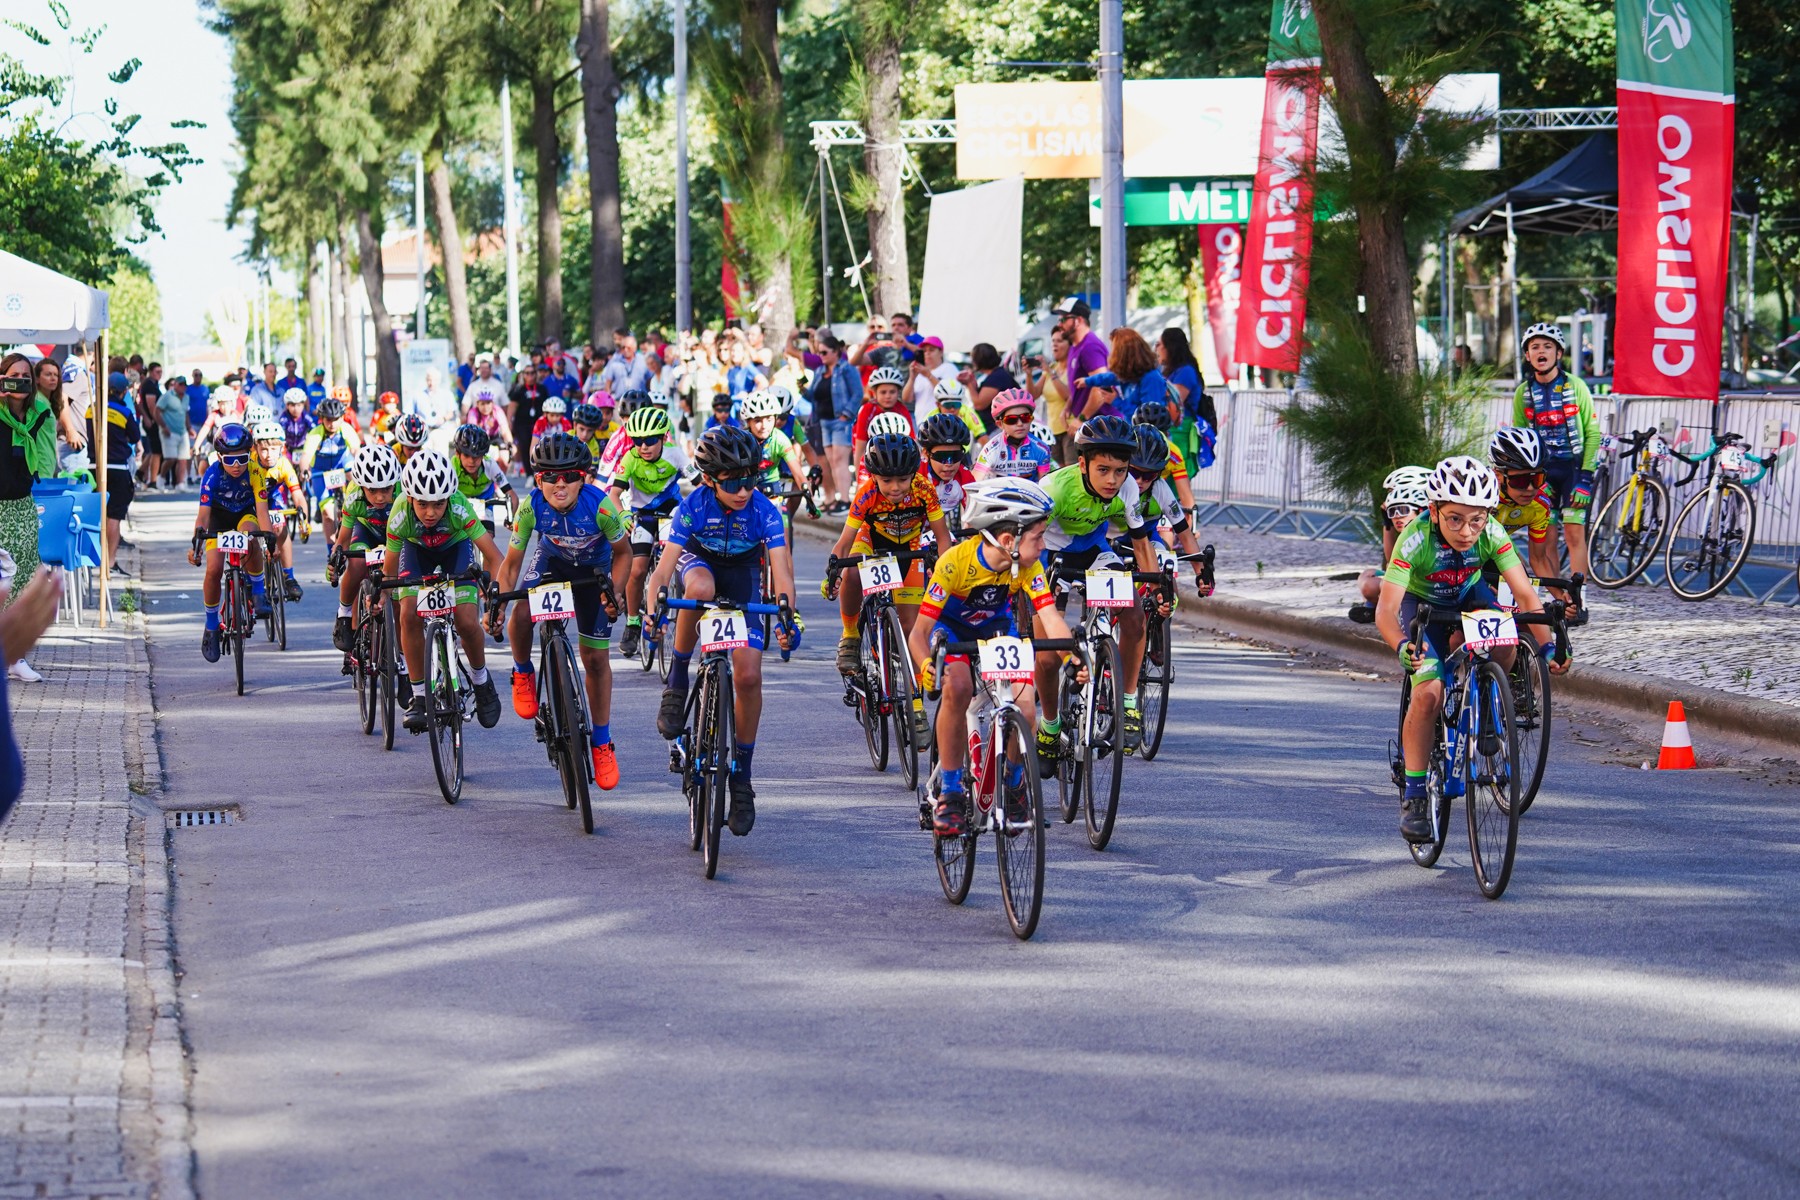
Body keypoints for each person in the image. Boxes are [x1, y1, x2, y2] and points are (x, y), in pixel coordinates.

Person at [1374, 456, 1569, 842]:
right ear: (1434, 510)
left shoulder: (1492, 533)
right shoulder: (1414, 538)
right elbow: (1386, 610)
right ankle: (1414, 796)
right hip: (1423, 607)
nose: (1467, 530)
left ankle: (1489, 706)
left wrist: (1548, 649)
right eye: (1455, 519)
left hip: (1468, 596)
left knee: (1506, 638)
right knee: (1429, 692)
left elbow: (1528, 596)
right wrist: (1399, 645)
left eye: (1476, 519)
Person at [644, 425, 801, 835]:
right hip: (700, 563)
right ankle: (677, 684)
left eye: (749, 479)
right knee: (699, 588)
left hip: (744, 573)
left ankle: (743, 779)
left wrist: (789, 617)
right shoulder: (693, 506)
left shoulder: (766, 510)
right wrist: (653, 612)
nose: (743, 490)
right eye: (733, 482)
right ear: (711, 480)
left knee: (749, 675)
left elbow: (782, 573)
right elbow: (662, 571)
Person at [906, 479, 1080, 837]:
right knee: (959, 685)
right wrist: (926, 666)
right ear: (1007, 541)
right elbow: (918, 633)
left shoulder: (1029, 567)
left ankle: (1013, 780)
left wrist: (1071, 659)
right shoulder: (954, 562)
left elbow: (1050, 619)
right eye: (1038, 537)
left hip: (997, 632)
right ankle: (951, 792)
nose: (1044, 544)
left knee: (1026, 707)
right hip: (951, 633)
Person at [489, 431, 632, 789]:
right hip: (553, 563)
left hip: (595, 571)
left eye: (569, 475)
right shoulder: (530, 506)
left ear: (583, 476)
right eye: (549, 476)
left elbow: (625, 554)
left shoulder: (601, 507)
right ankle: (523, 672)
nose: (560, 484)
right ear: (538, 479)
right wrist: (497, 606)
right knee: (522, 611)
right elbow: (510, 566)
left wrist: (614, 593)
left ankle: (601, 741)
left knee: (596, 659)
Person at [1033, 415, 1165, 757]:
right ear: (1082, 463)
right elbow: (1030, 545)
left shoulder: (1128, 488)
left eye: (1120, 471)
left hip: (1093, 551)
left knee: (1135, 615)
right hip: (1050, 554)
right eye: (1103, 470)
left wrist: (1155, 591)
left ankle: (1128, 703)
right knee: (1048, 655)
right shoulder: (1055, 489)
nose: (1113, 480)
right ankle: (1049, 725)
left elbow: (1140, 543)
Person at [825, 431, 950, 709]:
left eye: (902, 480)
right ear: (874, 477)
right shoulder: (866, 493)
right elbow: (845, 543)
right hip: (871, 543)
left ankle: (916, 707)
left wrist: (946, 574)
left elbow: (943, 538)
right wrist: (834, 571)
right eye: (887, 481)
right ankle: (850, 635)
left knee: (909, 629)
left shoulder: (924, 489)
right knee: (854, 571)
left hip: (910, 548)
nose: (895, 488)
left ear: (913, 475)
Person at [385, 450, 505, 733]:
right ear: (410, 498)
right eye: (423, 504)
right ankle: (419, 696)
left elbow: (496, 558)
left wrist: (492, 595)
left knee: (465, 620)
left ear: (449, 498)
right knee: (408, 615)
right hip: (416, 552)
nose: (430, 512)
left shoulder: (459, 508)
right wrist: (381, 596)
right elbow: (389, 573)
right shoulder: (400, 513)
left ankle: (480, 680)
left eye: (438, 504)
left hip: (456, 548)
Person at [1512, 323, 1597, 610]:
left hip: (1573, 470)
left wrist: (1585, 478)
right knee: (1545, 538)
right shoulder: (1523, 393)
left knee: (1573, 533)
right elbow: (1519, 436)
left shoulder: (1576, 386)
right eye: (1534, 347)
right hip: (1543, 474)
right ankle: (1560, 600)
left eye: (1547, 346)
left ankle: (1580, 598)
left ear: (1559, 352)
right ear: (1527, 355)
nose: (1541, 351)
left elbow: (1593, 434)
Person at [187, 422, 274, 660]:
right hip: (218, 518)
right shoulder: (212, 475)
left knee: (250, 538)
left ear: (250, 455)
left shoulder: (256, 472)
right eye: (230, 460)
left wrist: (269, 540)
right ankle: (212, 625)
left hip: (245, 514)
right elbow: (203, 516)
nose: (237, 466)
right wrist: (197, 544)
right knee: (214, 570)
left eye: (242, 459)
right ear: (219, 457)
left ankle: (258, 591)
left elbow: (263, 512)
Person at [608, 405, 687, 657]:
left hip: (670, 514)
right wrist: (621, 513)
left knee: (677, 560)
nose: (643, 446)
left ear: (664, 438)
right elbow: (614, 494)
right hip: (642, 516)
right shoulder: (629, 458)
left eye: (650, 440)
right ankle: (632, 622)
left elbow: (700, 484)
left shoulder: (676, 455)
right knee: (638, 568)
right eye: (638, 440)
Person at [0, 354, 61, 681]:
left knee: (22, 575)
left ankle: (14, 656)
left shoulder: (40, 415)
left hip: (22, 503)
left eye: (25, 376)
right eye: (12, 376)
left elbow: (46, 458)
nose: (19, 382)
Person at [327, 442, 403, 695]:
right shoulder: (354, 496)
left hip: (396, 534)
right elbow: (344, 537)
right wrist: (335, 558)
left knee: (398, 587)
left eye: (386, 489)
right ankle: (345, 614)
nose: (381, 497)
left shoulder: (405, 491)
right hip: (366, 532)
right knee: (357, 564)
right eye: (373, 490)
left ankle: (402, 660)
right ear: (361, 486)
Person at [248, 417, 305, 599]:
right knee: (250, 532)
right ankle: (248, 574)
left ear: (281, 448)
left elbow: (296, 493)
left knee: (281, 530)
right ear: (255, 448)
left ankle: (289, 576)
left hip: (273, 498)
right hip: (250, 499)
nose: (268, 454)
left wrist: (303, 516)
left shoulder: (283, 465)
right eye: (263, 449)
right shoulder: (250, 464)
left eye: (273, 449)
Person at [298, 397, 364, 545]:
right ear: (322, 419)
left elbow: (356, 450)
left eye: (336, 419)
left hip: (343, 466)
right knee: (327, 514)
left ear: (342, 418)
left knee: (355, 478)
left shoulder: (346, 428)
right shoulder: (316, 433)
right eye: (328, 419)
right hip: (320, 471)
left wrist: (361, 465)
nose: (332, 423)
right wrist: (303, 470)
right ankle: (331, 551)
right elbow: (306, 455)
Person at [810, 335, 861, 513]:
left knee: (839, 461)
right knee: (832, 462)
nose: (821, 355)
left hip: (841, 421)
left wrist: (846, 414)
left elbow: (857, 393)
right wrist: (802, 388)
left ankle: (845, 501)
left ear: (835, 351)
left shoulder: (847, 369)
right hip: (824, 421)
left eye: (824, 352)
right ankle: (838, 500)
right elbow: (812, 396)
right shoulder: (819, 371)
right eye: (819, 352)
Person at [1080, 327, 1167, 422]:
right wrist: (1087, 381)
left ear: (1124, 352)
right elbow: (1109, 377)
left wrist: (1116, 402)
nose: (1112, 354)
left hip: (1146, 435)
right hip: (1133, 432)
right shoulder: (1131, 373)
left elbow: (1148, 418)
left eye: (1114, 349)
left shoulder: (1151, 379)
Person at [973, 388, 1056, 481]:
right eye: (1011, 419)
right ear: (1000, 424)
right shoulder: (990, 450)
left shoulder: (1042, 449)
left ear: (1031, 419)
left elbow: (1046, 485)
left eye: (1025, 418)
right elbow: (974, 483)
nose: (1020, 423)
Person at [450, 423, 519, 535]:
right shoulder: (452, 466)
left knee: (488, 537)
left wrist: (511, 517)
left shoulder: (490, 464)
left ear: (483, 455)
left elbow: (512, 495)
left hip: (484, 501)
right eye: (467, 455)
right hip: (460, 500)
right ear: (458, 454)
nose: (472, 461)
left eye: (477, 456)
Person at [917, 413, 975, 535]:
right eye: (941, 457)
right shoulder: (915, 474)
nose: (949, 464)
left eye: (956, 456)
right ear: (926, 454)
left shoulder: (964, 476)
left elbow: (974, 517)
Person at [850, 365, 915, 476]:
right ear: (874, 393)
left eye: (892, 392)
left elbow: (912, 443)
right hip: (871, 454)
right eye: (883, 392)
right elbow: (860, 448)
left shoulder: (902, 409)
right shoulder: (867, 410)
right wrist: (859, 479)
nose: (888, 396)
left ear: (898, 392)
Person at [1055, 297, 1110, 423]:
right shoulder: (1076, 345)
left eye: (1063, 319)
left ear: (1078, 320)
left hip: (1102, 426)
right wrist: (1069, 406)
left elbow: (1102, 388)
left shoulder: (1090, 347)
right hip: (1092, 424)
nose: (1059, 325)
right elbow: (1078, 387)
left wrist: (1081, 418)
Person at [1026, 327, 1072, 463]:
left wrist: (1050, 372)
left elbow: (1068, 395)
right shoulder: (1051, 367)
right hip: (1052, 430)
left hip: (1070, 428)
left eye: (1060, 341)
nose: (1055, 345)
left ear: (1070, 344)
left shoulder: (1074, 368)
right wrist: (1028, 374)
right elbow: (1032, 395)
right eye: (1053, 341)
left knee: (1070, 471)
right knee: (1055, 472)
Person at [956, 343, 1019, 433]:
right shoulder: (997, 375)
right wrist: (971, 381)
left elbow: (979, 404)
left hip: (998, 430)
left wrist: (968, 383)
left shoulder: (996, 377)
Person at [907, 336, 958, 423]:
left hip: (943, 422)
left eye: (931, 350)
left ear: (941, 352)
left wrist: (928, 375)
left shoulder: (949, 368)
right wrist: (912, 378)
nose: (927, 353)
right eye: (924, 351)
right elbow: (907, 399)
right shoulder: (920, 373)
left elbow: (949, 393)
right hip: (921, 422)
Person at [507, 363, 547, 468]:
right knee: (525, 447)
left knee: (539, 447)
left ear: (536, 374)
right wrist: (509, 422)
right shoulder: (518, 389)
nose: (530, 376)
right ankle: (529, 472)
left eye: (532, 373)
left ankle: (539, 469)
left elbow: (546, 406)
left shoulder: (542, 388)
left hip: (538, 423)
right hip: (522, 424)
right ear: (523, 375)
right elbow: (512, 407)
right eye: (527, 373)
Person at [158, 376, 192, 489]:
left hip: (182, 431)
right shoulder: (167, 396)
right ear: (175, 385)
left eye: (184, 385)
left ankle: (180, 483)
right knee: (171, 458)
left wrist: (189, 427)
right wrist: (164, 427)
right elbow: (157, 411)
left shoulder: (186, 397)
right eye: (180, 384)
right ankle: (161, 479)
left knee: (183, 458)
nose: (182, 387)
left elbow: (185, 413)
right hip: (169, 431)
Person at [599, 329, 654, 397]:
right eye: (623, 347)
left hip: (641, 401)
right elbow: (608, 384)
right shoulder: (614, 361)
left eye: (629, 347)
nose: (625, 350)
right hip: (620, 402)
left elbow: (650, 382)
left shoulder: (644, 360)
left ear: (635, 347)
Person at [136, 363, 164, 490]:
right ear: (151, 372)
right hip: (153, 423)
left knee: (154, 450)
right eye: (157, 371)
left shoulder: (152, 384)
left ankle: (141, 472)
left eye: (161, 371)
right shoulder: (149, 385)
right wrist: (156, 421)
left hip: (151, 421)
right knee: (157, 451)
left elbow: (140, 403)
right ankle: (152, 480)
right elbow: (151, 405)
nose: (160, 374)